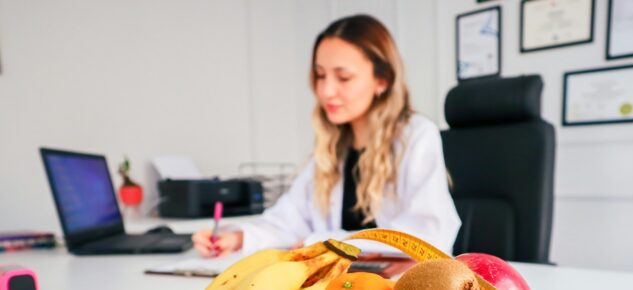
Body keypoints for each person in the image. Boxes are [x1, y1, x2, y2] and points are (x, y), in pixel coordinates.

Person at [193, 14, 460, 257]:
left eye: (343, 78)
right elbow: (289, 220)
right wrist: (238, 238)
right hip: (338, 288)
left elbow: (427, 235)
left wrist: (321, 240)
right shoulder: (332, 147)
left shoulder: (416, 136)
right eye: (320, 76)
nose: (326, 91)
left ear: (382, 80)